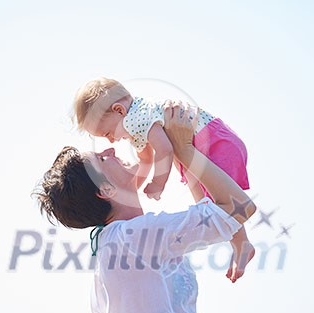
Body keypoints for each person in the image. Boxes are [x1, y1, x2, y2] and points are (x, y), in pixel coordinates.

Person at [35, 102, 256, 313]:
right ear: (105, 190)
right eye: (100, 159)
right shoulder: (126, 239)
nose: (109, 150)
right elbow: (238, 207)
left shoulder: (125, 240)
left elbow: (215, 210)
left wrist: (182, 152)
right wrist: (183, 150)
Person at [73, 77, 254, 281]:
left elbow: (165, 150)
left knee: (218, 206)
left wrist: (158, 184)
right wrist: (134, 186)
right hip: (207, 145)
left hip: (214, 145)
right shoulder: (138, 121)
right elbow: (146, 159)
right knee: (205, 204)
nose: (111, 141)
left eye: (107, 133)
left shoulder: (137, 120)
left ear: (119, 111)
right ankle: (241, 243)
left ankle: (241, 244)